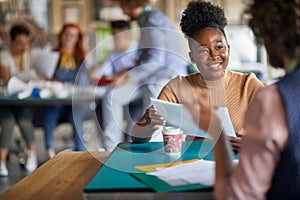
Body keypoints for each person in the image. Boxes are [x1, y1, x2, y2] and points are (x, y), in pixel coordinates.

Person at [180, 0, 300, 199]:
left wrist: (216, 133)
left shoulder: (271, 99)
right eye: (202, 50)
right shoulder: (181, 85)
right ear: (192, 57)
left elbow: (235, 196)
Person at [130, 1, 264, 151]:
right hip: (193, 166)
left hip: (237, 168)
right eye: (203, 51)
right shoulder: (178, 88)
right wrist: (149, 123)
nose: (213, 56)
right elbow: (136, 137)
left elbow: (281, 133)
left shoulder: (249, 85)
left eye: (219, 47)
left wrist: (254, 142)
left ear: (228, 49)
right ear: (192, 57)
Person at [100, 0, 188, 151]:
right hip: (148, 77)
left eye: (123, 7)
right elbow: (145, 58)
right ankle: (111, 149)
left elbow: (156, 60)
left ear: (133, 4)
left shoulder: (154, 20)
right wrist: (124, 74)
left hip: (165, 77)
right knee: (112, 96)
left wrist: (128, 77)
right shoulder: (146, 20)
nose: (123, 12)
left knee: (152, 119)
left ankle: (151, 153)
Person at [43, 23, 92, 158]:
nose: (68, 38)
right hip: (57, 100)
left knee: (75, 114)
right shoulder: (52, 55)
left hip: (75, 102)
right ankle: (49, 150)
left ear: (77, 39)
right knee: (51, 111)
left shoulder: (81, 57)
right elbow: (46, 77)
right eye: (66, 34)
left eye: (73, 35)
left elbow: (87, 80)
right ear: (61, 36)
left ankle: (80, 152)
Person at [0, 24, 38, 176]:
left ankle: (32, 154)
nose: (24, 47)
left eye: (27, 43)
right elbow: (7, 79)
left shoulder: (28, 56)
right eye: (20, 43)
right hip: (3, 101)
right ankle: (1, 162)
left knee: (24, 118)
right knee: (8, 122)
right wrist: (30, 75)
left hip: (20, 100)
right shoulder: (4, 55)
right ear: (12, 41)